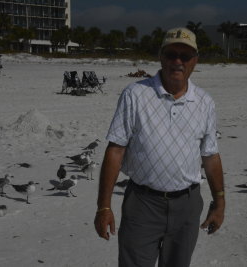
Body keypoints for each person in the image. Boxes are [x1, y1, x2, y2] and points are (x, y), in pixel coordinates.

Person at [94, 27, 225, 267]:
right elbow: (115, 150)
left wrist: (220, 201)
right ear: (160, 56)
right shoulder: (135, 94)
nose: (177, 61)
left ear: (195, 61)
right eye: (171, 54)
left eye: (185, 56)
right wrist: (104, 206)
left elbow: (210, 155)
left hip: (187, 205)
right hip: (142, 204)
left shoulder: (205, 102)